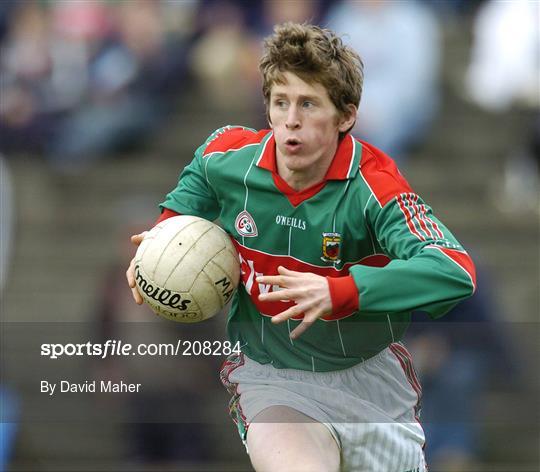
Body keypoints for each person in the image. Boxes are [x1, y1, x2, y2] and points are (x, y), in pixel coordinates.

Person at [126, 23, 476, 472]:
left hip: (370, 382)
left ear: (345, 116)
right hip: (271, 377)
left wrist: (340, 292)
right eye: (280, 102)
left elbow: (455, 271)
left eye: (309, 104)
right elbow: (186, 202)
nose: (291, 119)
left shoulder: (376, 187)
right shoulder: (226, 158)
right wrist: (158, 250)